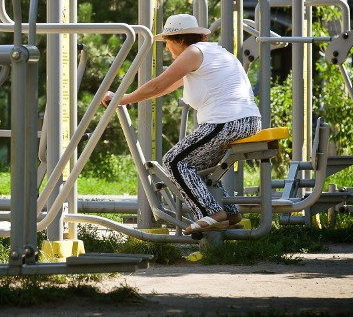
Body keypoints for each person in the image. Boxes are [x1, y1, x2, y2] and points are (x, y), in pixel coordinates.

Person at [102, 13, 261, 234]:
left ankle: (211, 214)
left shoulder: (193, 53)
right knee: (202, 168)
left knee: (175, 161)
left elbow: (158, 85)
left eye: (167, 42)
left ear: (178, 39)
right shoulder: (213, 52)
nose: (167, 49)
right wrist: (126, 97)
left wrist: (122, 98)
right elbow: (167, 87)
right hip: (247, 120)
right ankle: (230, 212)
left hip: (227, 121)